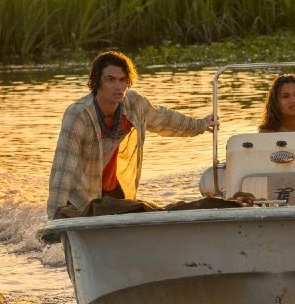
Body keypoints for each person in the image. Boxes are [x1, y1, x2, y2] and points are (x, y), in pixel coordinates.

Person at [46, 51, 217, 219]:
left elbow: (165, 119)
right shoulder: (78, 115)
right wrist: (53, 219)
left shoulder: (134, 104)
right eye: (110, 79)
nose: (118, 86)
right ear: (97, 81)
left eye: (123, 80)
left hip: (111, 191)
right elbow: (63, 169)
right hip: (78, 197)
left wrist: (201, 124)